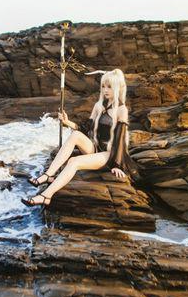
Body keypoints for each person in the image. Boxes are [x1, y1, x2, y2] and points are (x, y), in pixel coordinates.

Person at [21, 68, 140, 208]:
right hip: (95, 148)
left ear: (118, 88)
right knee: (76, 135)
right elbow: (86, 127)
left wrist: (117, 165)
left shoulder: (121, 110)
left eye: (109, 87)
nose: (105, 90)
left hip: (110, 154)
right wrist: (67, 122)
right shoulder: (98, 106)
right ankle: (48, 175)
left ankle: (46, 196)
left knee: (74, 161)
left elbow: (120, 138)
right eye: (103, 86)